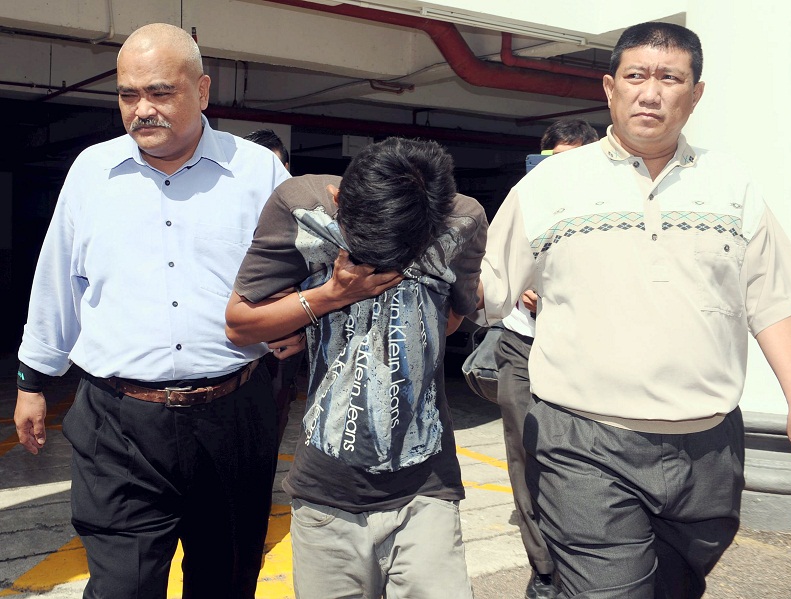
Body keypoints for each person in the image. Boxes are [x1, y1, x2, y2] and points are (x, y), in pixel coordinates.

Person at [478, 21, 791, 598]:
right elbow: (490, 289)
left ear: (696, 94)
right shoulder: (549, 185)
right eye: (636, 76)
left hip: (709, 445)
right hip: (582, 438)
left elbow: (773, 299)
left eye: (670, 78)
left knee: (673, 588)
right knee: (612, 589)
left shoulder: (734, 186)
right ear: (610, 87)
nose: (650, 92)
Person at [13, 23, 296, 599]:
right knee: (123, 587)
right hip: (117, 422)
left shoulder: (259, 173)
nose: (143, 109)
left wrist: (302, 320)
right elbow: (57, 281)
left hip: (234, 412)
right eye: (128, 95)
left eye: (161, 92)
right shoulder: (91, 173)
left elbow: (312, 266)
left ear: (203, 91)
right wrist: (32, 381)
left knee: (224, 580)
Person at [225, 136, 488, 599]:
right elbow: (240, 323)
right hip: (328, 487)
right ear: (339, 200)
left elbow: (449, 321)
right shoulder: (298, 204)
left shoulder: (461, 220)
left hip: (427, 480)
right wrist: (332, 297)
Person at [495, 118, 598, 599]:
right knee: (525, 457)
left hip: (586, 351)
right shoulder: (525, 197)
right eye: (556, 159)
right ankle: (544, 569)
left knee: (585, 460)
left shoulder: (609, 205)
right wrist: (521, 289)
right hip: (523, 347)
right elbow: (492, 272)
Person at [244, 127, 303, 449]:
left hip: (280, 346)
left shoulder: (303, 220)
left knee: (269, 428)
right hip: (230, 346)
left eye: (276, 168)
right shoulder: (226, 217)